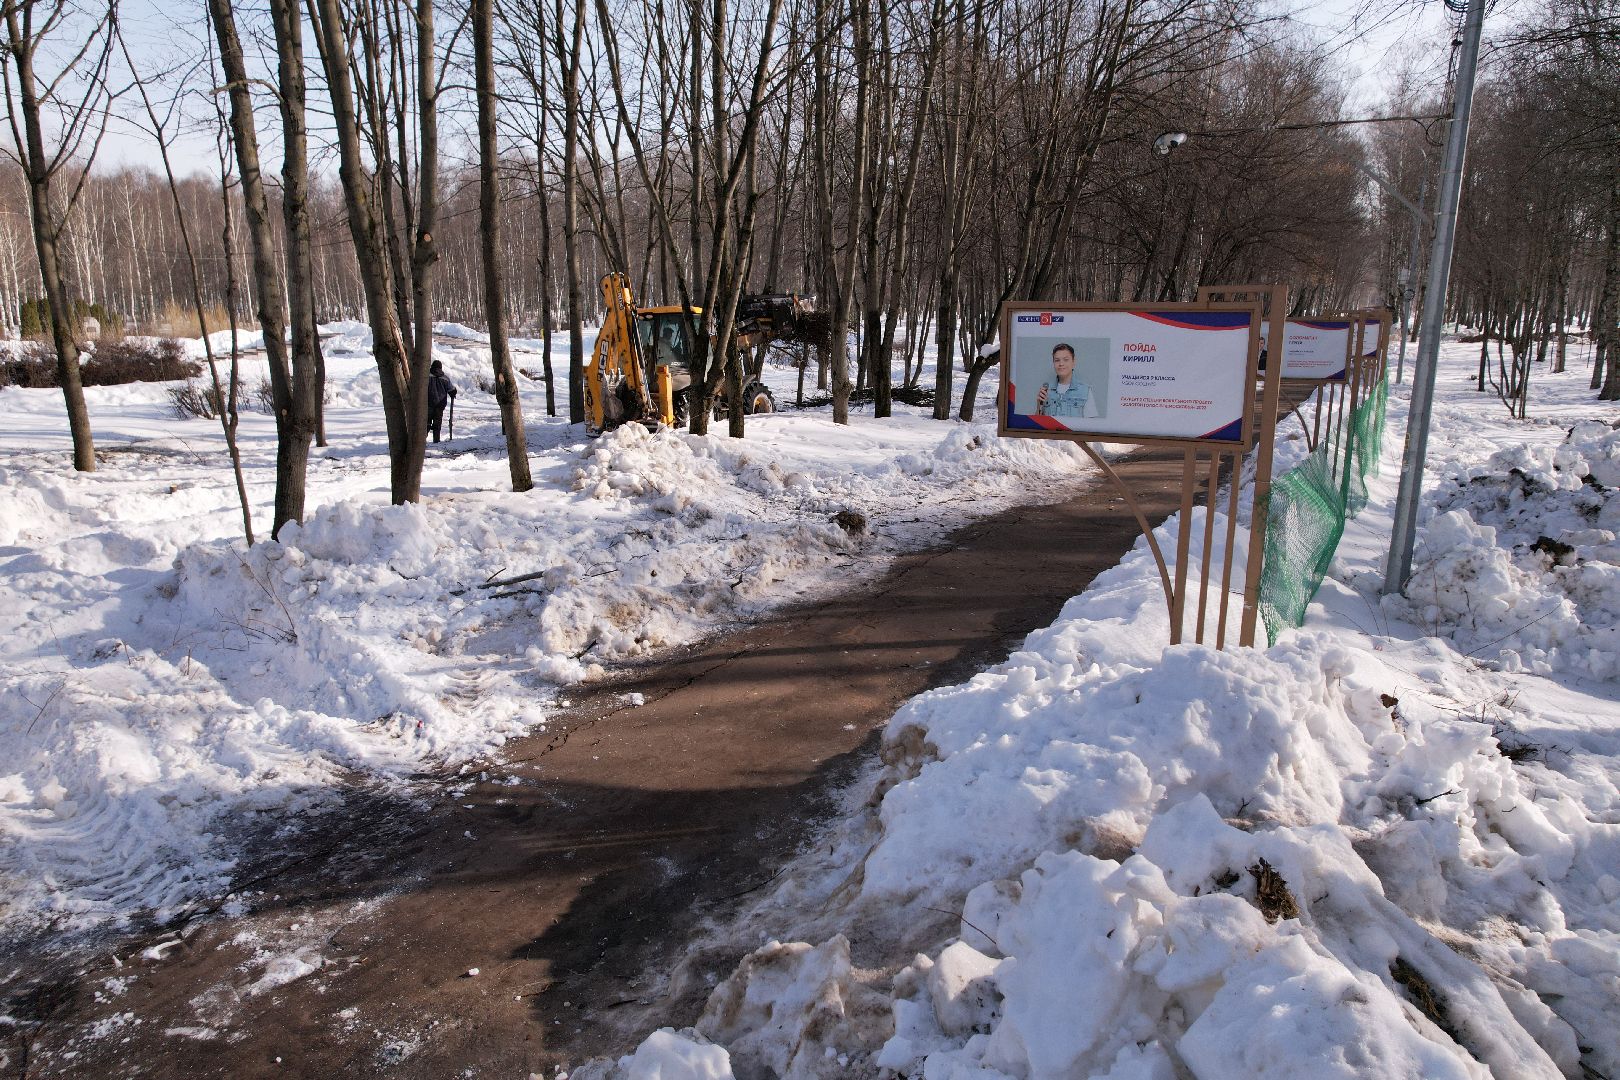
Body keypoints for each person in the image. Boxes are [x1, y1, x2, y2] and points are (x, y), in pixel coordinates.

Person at [1035, 343, 1100, 418]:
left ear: (1073, 361)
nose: (1061, 364)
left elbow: (1091, 425)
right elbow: (1038, 423)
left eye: (1066, 360)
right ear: (1053, 362)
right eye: (1057, 360)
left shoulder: (1085, 391)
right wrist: (1038, 406)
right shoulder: (1046, 390)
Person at [428, 359, 457, 443]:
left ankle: (421, 441)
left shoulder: (426, 376)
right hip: (440, 405)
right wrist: (454, 392)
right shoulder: (445, 378)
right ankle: (436, 441)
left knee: (426, 423)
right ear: (441, 368)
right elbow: (451, 390)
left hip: (427, 404)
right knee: (437, 424)